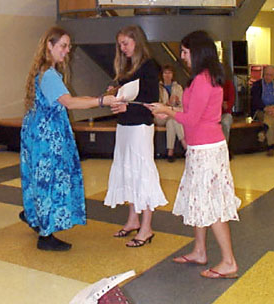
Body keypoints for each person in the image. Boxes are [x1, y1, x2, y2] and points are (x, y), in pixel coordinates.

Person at [148, 30, 240, 279]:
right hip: (204, 147)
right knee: (201, 199)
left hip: (207, 149)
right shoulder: (204, 77)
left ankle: (229, 261)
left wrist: (167, 110)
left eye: (185, 52)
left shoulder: (202, 79)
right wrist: (171, 109)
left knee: (212, 204)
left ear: (197, 52)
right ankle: (200, 250)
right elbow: (194, 113)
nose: (182, 56)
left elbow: (191, 118)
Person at [20, 26, 119, 251]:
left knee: (39, 180)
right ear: (49, 46)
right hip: (47, 140)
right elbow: (70, 102)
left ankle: (33, 215)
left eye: (68, 46)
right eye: (63, 46)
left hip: (39, 135)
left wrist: (100, 98)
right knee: (50, 182)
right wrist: (102, 101)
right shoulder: (49, 75)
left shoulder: (45, 72)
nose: (67, 51)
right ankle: (45, 235)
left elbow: (70, 98)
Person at [105, 25, 168, 248]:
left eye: (126, 44)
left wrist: (127, 108)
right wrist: (114, 94)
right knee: (128, 171)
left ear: (137, 42)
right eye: (120, 45)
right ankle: (133, 219)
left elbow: (150, 103)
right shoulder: (128, 66)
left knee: (142, 173)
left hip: (140, 126)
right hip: (125, 127)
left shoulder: (149, 66)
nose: (122, 49)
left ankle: (147, 227)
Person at [250, 65, 274, 157]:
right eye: (266, 74)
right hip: (261, 110)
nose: (268, 77)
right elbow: (255, 100)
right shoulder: (257, 85)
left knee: (271, 116)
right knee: (271, 118)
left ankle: (264, 131)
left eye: (270, 75)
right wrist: (265, 108)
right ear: (263, 74)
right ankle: (270, 146)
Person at [155, 64, 187, 162]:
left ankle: (170, 152)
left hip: (173, 114)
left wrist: (177, 102)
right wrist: (167, 104)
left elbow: (183, 106)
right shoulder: (158, 88)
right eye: (165, 73)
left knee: (172, 120)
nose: (167, 75)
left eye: (169, 73)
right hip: (160, 115)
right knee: (172, 118)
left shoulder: (178, 87)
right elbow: (156, 105)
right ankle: (185, 145)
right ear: (162, 74)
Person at [221, 68, 235, 159]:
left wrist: (222, 104)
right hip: (212, 114)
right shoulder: (210, 84)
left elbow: (230, 103)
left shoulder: (228, 84)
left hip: (225, 114)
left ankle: (224, 150)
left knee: (225, 123)